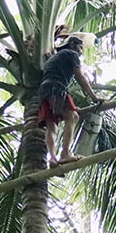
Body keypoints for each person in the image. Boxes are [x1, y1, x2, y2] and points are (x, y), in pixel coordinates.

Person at [37, 34, 103, 168]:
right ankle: (65, 154)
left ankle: (53, 158)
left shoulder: (54, 57)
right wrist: (94, 97)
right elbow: (81, 78)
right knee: (73, 116)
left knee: (51, 125)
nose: (81, 51)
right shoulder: (72, 54)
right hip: (57, 88)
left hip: (44, 91)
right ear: (72, 45)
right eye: (80, 47)